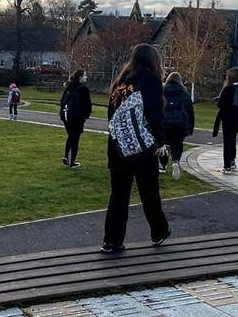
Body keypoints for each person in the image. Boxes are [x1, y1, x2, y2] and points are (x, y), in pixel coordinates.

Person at [102, 43, 171, 254]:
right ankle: (158, 231)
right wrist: (161, 143)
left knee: (119, 194)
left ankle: (112, 240)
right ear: (153, 60)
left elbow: (111, 114)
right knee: (149, 191)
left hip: (118, 146)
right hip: (142, 146)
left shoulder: (120, 81)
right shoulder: (150, 80)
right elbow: (154, 115)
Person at [212, 67, 238, 173]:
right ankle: (232, 161)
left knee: (227, 140)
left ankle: (227, 166)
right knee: (233, 138)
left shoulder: (228, 89)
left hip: (228, 118)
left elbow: (220, 104)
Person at [161, 71, 195, 180]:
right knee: (178, 145)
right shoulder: (184, 93)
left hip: (165, 123)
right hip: (180, 123)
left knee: (165, 144)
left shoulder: (162, 92)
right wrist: (190, 127)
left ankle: (163, 165)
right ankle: (175, 161)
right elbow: (190, 111)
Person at [58, 69, 92, 168]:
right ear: (80, 77)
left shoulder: (69, 86)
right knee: (75, 138)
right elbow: (87, 104)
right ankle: (72, 162)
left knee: (70, 136)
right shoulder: (83, 89)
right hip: (77, 117)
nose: (86, 77)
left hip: (66, 115)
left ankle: (65, 156)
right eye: (85, 75)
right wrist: (86, 116)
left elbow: (62, 100)